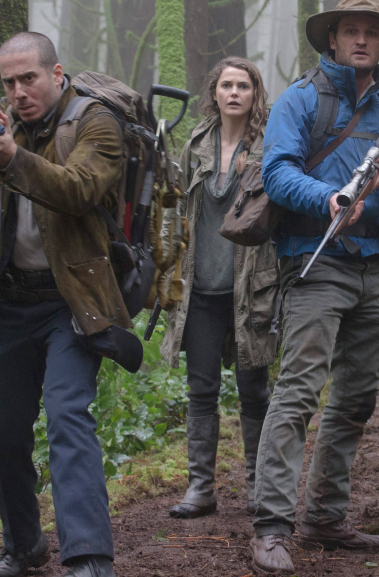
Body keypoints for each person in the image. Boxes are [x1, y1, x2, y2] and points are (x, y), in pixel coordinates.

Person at [248, 0, 379, 573]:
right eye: (350, 30)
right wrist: (330, 198)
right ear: (333, 38)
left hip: (376, 267)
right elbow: (276, 171)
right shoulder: (300, 98)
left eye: (372, 32)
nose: (361, 39)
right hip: (315, 261)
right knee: (298, 392)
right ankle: (271, 526)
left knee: (357, 397)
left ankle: (325, 515)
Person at [0, 32, 129, 577]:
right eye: (9, 82)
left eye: (28, 78)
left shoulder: (96, 122)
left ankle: (89, 557)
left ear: (56, 74)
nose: (18, 92)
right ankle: (24, 545)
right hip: (13, 302)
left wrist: (13, 158)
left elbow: (80, 189)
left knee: (68, 417)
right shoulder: (8, 122)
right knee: (0, 430)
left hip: (73, 301)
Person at [160, 57, 279, 519]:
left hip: (252, 287)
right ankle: (201, 487)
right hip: (201, 289)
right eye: (226, 85)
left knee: (254, 390)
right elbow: (176, 212)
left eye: (243, 86)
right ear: (214, 92)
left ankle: (258, 487)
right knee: (201, 389)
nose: (234, 93)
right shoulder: (195, 145)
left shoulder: (271, 145)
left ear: (255, 93)